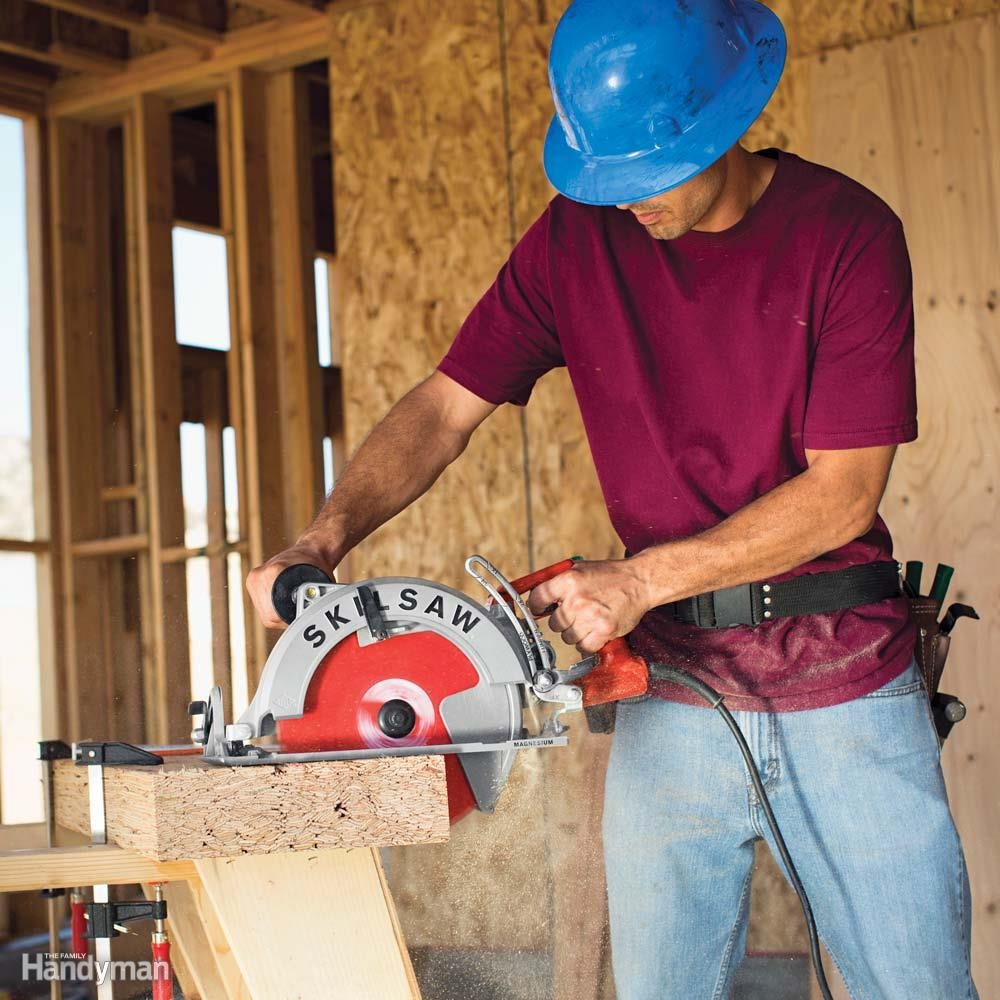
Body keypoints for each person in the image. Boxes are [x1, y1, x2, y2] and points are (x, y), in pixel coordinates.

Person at [247, 1, 979, 997]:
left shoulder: (845, 234)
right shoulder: (573, 242)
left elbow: (842, 496)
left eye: (646, 170)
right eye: (604, 172)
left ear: (719, 124)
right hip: (673, 690)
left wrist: (637, 578)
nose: (623, 196)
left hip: (843, 679)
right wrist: (319, 540)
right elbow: (442, 407)